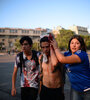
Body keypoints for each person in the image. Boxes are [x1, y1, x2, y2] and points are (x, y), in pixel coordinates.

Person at [51, 35, 90, 100]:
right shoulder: (68, 53)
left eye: (77, 43)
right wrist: (51, 47)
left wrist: (56, 48)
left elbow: (62, 59)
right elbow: (55, 61)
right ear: (69, 45)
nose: (74, 45)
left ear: (81, 46)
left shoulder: (82, 54)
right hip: (75, 88)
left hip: (87, 90)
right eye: (72, 43)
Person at [39, 33, 65, 100]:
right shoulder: (41, 58)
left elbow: (55, 63)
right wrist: (40, 89)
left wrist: (52, 48)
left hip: (56, 90)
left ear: (51, 46)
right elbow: (42, 74)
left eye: (47, 47)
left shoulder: (58, 57)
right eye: (43, 47)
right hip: (45, 89)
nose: (45, 49)